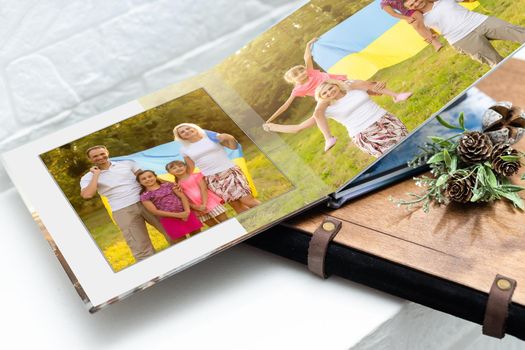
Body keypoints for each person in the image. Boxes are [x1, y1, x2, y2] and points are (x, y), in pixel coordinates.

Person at [267, 38, 412, 152]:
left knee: (365, 83)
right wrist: (271, 122)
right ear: (293, 81)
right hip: (325, 98)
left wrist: (308, 44)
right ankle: (328, 138)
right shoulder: (297, 90)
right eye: (297, 75)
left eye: (301, 70)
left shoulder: (310, 71)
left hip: (340, 85)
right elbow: (285, 106)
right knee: (316, 115)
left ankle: (396, 95)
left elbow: (307, 58)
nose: (302, 73)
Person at [263, 79, 408, 158]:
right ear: (321, 97)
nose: (329, 92)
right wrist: (272, 127)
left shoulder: (354, 88)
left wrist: (379, 84)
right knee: (397, 157)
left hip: (386, 120)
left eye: (330, 88)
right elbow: (298, 128)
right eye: (324, 93)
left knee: (410, 142)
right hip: (366, 134)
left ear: (336, 85)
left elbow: (374, 87)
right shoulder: (326, 110)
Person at [79, 145, 169, 261]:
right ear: (90, 159)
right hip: (122, 210)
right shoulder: (88, 177)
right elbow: (87, 195)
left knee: (171, 231)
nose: (100, 157)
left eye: (102, 154)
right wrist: (96, 175)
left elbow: (148, 178)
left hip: (146, 201)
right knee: (140, 246)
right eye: (95, 156)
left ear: (107, 152)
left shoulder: (127, 163)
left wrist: (168, 185)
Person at [403, 0, 525, 67]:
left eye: (416, 0)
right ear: (410, 9)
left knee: (519, 33)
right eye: (412, 5)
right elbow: (429, 34)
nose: (416, 4)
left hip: (480, 22)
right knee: (497, 63)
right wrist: (432, 37)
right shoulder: (419, 20)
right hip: (462, 39)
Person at [173, 123, 260, 213]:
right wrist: (180, 181)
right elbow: (190, 167)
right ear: (181, 137)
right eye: (182, 132)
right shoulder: (184, 149)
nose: (186, 131)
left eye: (188, 128)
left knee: (248, 201)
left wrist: (229, 137)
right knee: (237, 207)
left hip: (229, 171)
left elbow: (233, 147)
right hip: (212, 179)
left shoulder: (211, 136)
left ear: (194, 128)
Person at [137, 170, 202, 241]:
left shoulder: (168, 185)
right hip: (169, 219)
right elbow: (154, 211)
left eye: (150, 176)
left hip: (186, 213)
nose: (148, 179)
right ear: (140, 182)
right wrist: (179, 215)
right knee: (181, 242)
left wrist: (187, 211)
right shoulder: (145, 196)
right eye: (144, 179)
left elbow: (182, 197)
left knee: (198, 237)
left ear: (155, 177)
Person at [166, 160, 229, 227]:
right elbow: (183, 199)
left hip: (210, 203)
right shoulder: (177, 185)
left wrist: (204, 204)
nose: (178, 168)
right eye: (174, 168)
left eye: (180, 166)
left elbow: (203, 189)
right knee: (214, 227)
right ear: (169, 172)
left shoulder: (196, 176)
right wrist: (195, 207)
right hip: (197, 209)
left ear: (185, 166)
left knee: (226, 222)